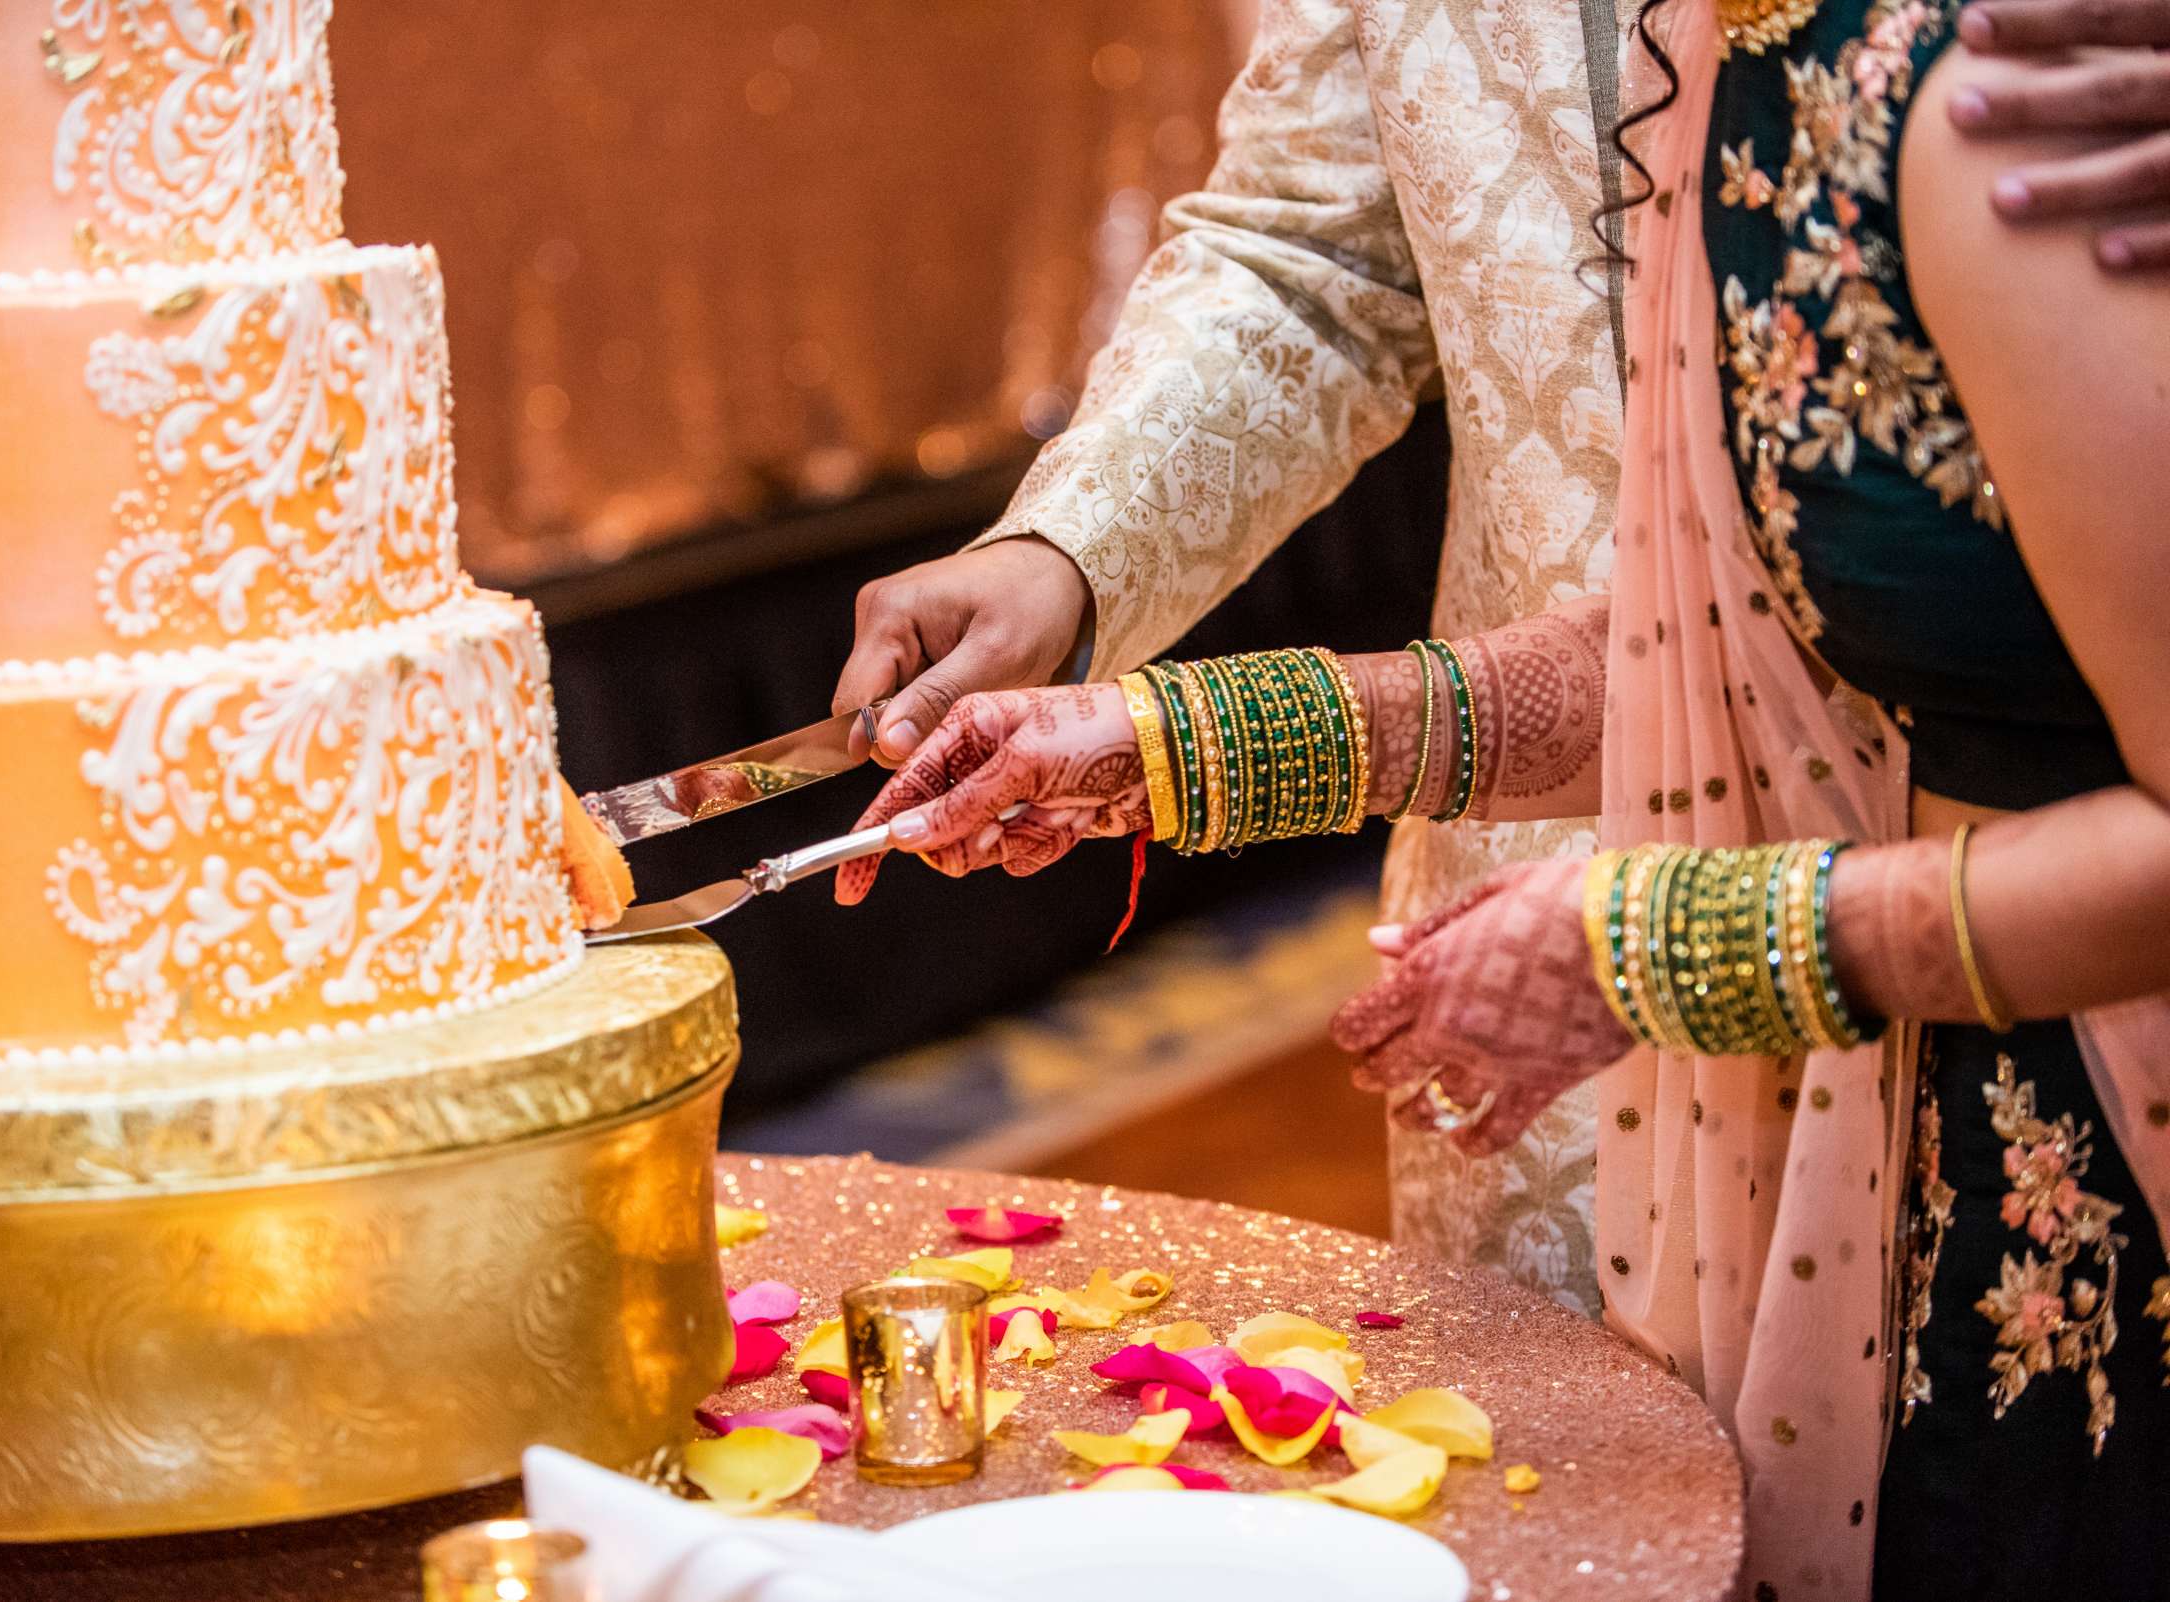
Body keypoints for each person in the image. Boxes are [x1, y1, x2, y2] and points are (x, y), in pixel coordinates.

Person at [831, 0, 2170, 1593]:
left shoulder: (1974, 97)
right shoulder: (1740, 73)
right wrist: (1157, 697)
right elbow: (1715, 638)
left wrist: (1686, 941)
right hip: (1642, 972)